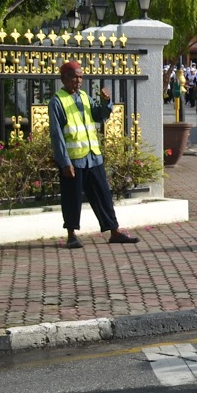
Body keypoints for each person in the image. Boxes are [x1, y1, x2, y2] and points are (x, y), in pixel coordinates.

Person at [48, 60, 139, 250]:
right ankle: (71, 234)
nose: (79, 80)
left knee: (103, 194)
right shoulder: (57, 101)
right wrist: (65, 162)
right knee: (72, 197)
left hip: (92, 156)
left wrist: (106, 102)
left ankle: (114, 231)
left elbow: (99, 116)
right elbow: (57, 135)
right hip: (73, 159)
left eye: (81, 77)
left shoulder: (84, 97)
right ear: (64, 79)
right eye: (75, 77)